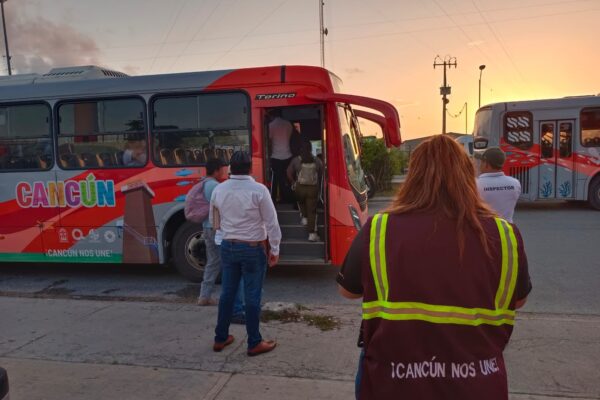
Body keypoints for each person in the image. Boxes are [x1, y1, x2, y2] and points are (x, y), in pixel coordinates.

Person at [337, 135, 532, 400]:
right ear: (467, 176)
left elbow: (348, 291)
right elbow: (518, 301)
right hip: (478, 383)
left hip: (393, 380)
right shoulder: (505, 234)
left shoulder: (379, 228)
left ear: (413, 175)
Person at [211, 151, 281, 356]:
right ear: (250, 168)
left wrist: (221, 241)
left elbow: (215, 221)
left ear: (230, 168)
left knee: (227, 294)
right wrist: (274, 249)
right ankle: (254, 342)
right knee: (252, 296)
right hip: (252, 248)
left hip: (227, 246)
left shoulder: (219, 190)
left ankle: (220, 338)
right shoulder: (259, 190)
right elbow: (272, 222)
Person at [186, 158, 228, 306]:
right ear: (216, 170)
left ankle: (204, 296)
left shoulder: (204, 184)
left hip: (206, 226)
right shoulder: (215, 186)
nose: (223, 172)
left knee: (213, 262)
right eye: (221, 169)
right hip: (217, 228)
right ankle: (228, 297)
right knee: (227, 261)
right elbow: (222, 207)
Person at [287, 141, 323, 241]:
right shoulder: (317, 160)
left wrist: (294, 182)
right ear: (311, 149)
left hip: (300, 187)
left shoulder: (296, 160)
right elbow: (321, 173)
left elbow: (288, 172)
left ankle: (304, 216)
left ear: (300, 149)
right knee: (312, 210)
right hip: (313, 188)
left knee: (300, 200)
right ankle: (312, 234)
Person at [475, 147, 521, 223]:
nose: (480, 165)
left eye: (481, 162)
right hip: (507, 230)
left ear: (486, 164)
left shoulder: (475, 184)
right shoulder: (515, 183)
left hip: (485, 231)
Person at [268, 109, 293, 203]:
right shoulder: (288, 124)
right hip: (288, 155)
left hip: (275, 156)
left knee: (276, 179)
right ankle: (288, 199)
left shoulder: (271, 125)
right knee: (286, 178)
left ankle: (273, 199)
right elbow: (289, 138)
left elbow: (270, 141)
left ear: (272, 116)